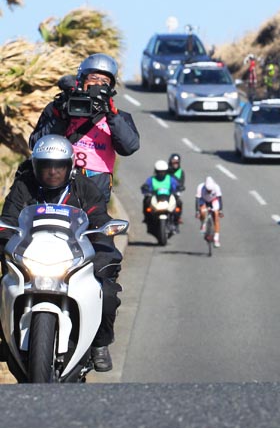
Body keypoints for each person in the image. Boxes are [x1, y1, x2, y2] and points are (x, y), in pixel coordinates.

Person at [0, 135, 124, 372]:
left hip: (73, 261)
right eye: (46, 166)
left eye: (59, 166)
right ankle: (5, 337)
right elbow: (8, 220)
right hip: (31, 258)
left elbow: (100, 222)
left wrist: (102, 244)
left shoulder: (85, 189)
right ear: (35, 166)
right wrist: (6, 238)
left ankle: (99, 344)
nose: (53, 172)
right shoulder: (24, 186)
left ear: (70, 166)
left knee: (106, 292)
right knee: (2, 285)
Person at [28, 53, 141, 203]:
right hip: (56, 177)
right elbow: (36, 144)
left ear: (111, 87)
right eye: (93, 78)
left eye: (104, 81)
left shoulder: (119, 117)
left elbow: (129, 147)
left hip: (96, 183)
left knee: (92, 225)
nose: (98, 84)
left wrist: (111, 114)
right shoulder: (61, 108)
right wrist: (60, 114)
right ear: (82, 79)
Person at [141, 160, 180, 231]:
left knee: (179, 202)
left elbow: (176, 186)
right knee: (146, 201)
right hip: (156, 198)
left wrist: (178, 188)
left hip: (168, 198)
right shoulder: (151, 179)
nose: (161, 174)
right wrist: (145, 188)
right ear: (156, 171)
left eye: (163, 171)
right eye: (159, 172)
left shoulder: (170, 179)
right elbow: (145, 187)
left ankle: (176, 221)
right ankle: (147, 218)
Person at [195, 176, 223, 248]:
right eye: (208, 190)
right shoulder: (200, 187)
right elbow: (197, 200)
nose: (209, 192)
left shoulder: (216, 187)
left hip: (213, 200)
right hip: (203, 200)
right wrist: (197, 211)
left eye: (210, 191)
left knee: (216, 216)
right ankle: (203, 224)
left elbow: (219, 199)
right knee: (203, 211)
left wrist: (220, 211)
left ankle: (216, 238)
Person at [168, 153, 186, 226]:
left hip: (175, 193)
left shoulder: (181, 172)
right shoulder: (165, 170)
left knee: (179, 203)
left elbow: (181, 182)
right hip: (164, 192)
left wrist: (180, 187)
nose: (175, 164)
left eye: (177, 162)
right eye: (174, 162)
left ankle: (178, 217)